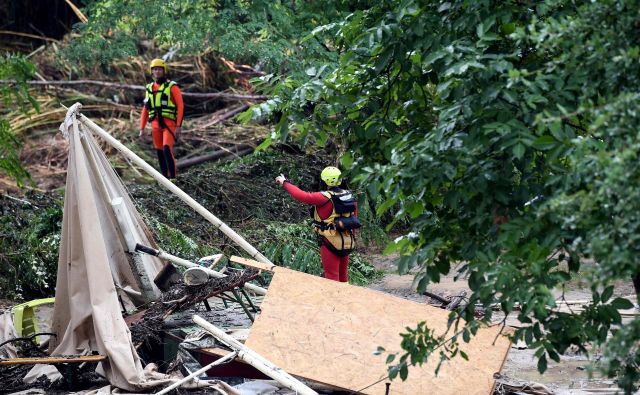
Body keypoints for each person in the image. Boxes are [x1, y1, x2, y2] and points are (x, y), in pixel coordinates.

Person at [275, 166, 361, 282]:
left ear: (324, 180)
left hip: (329, 241)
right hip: (347, 241)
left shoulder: (323, 197)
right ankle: (345, 299)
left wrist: (285, 182)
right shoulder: (349, 196)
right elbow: (354, 219)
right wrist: (352, 238)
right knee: (343, 276)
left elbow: (302, 196)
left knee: (331, 276)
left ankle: (333, 300)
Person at [139, 58, 184, 179]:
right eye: (155, 69)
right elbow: (145, 109)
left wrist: (179, 126)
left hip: (169, 124)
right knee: (159, 152)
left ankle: (173, 179)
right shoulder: (149, 88)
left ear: (164, 71)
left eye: (159, 69)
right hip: (155, 126)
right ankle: (165, 179)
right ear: (151, 72)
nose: (157, 72)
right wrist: (142, 129)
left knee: (166, 149)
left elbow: (180, 106)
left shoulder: (172, 87)